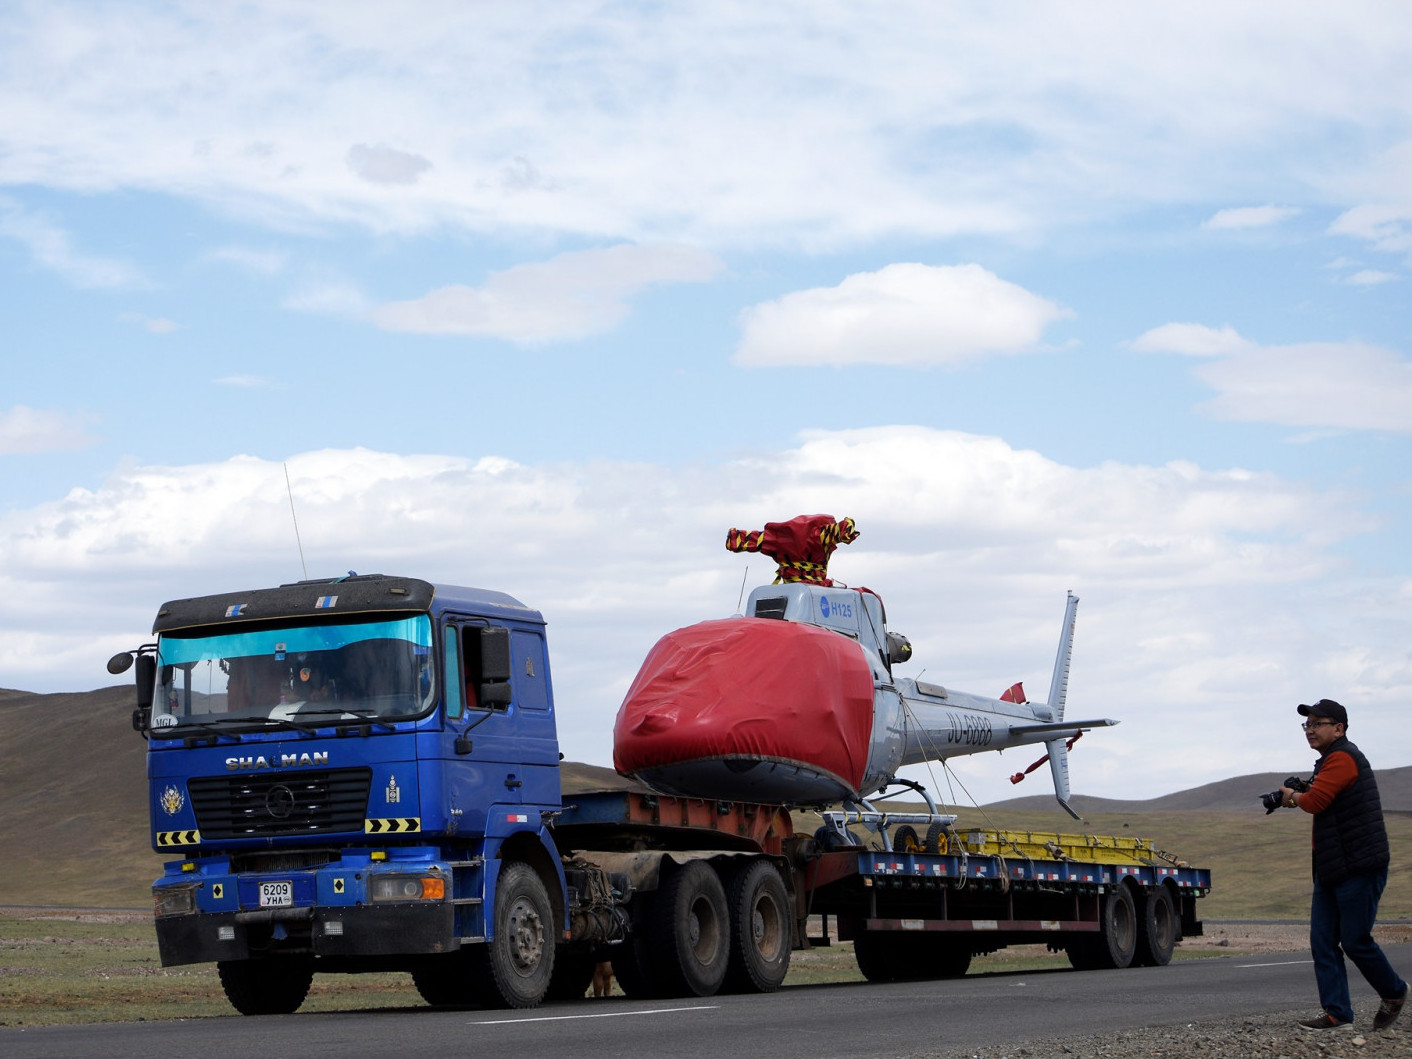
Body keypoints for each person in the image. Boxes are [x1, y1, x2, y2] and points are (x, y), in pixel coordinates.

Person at [1280, 698, 1408, 1032]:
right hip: (1332, 867)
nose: (1310, 730)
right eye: (1307, 725)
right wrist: (1302, 791)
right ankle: (1338, 1015)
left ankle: (1395, 993)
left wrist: (1291, 796)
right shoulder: (1329, 762)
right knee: (1322, 941)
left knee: (1355, 940)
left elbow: (1317, 801)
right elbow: (1322, 797)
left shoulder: (1343, 758)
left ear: (1339, 728)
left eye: (1317, 723)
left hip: (1359, 865)